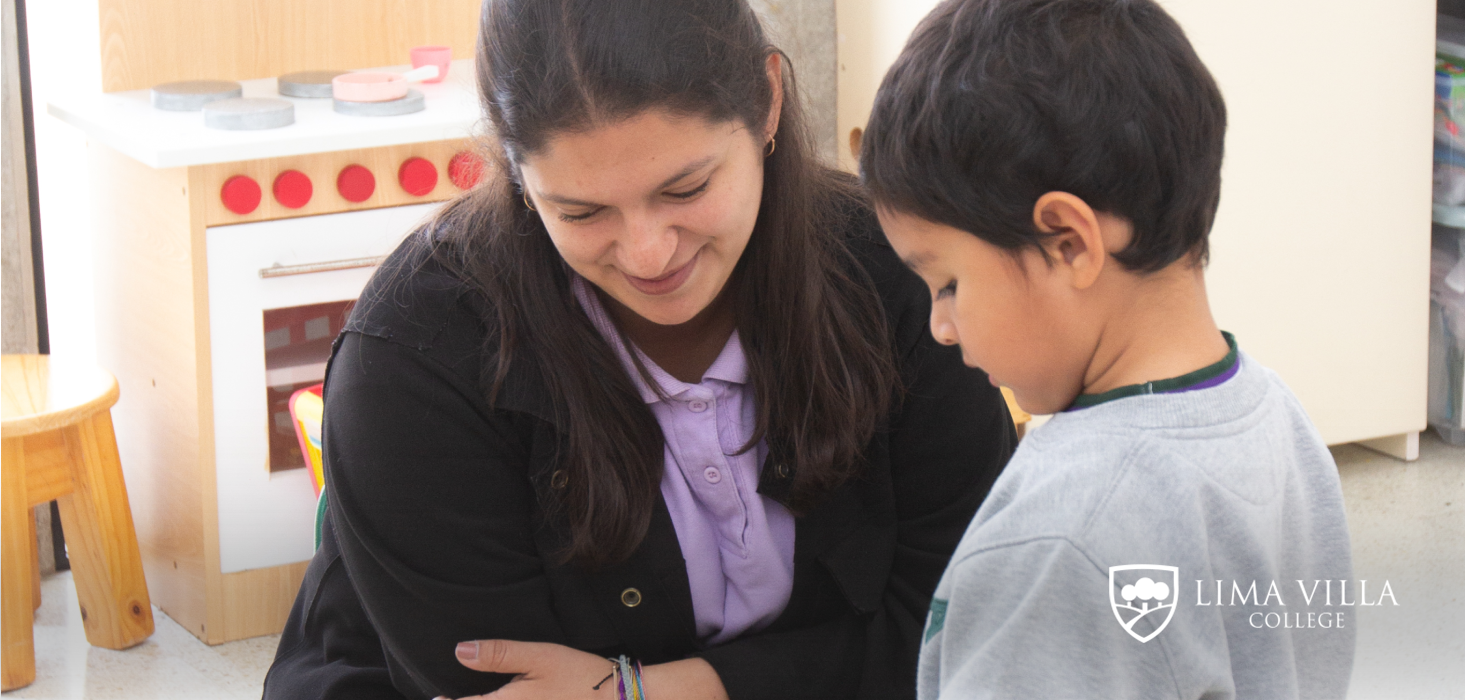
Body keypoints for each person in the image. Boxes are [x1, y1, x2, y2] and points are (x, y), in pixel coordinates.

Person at [261, 0, 1016, 698]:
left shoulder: (897, 276)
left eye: (685, 189)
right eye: (580, 211)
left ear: (768, 101)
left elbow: (963, 630)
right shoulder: (416, 360)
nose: (649, 254)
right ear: (517, 173)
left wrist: (645, 691)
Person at [859, 0, 1355, 698]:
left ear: (1067, 242)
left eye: (946, 282)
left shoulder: (1065, 540)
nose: (941, 326)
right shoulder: (1279, 418)